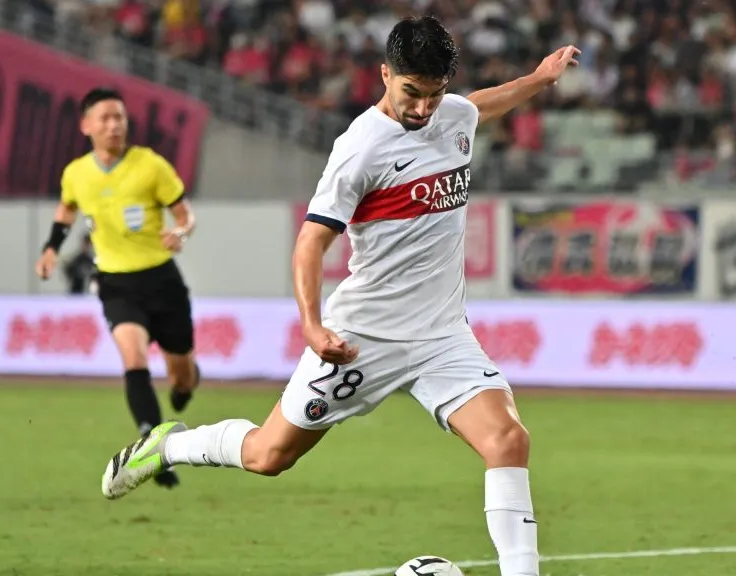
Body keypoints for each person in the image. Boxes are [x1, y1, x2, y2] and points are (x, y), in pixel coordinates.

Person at [102, 17, 579, 575]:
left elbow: (482, 106)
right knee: (268, 455)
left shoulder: (453, 115)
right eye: (411, 93)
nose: (424, 108)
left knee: (507, 439)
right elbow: (310, 243)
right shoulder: (359, 149)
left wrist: (540, 79)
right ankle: (168, 446)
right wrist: (310, 324)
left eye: (435, 93)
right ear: (385, 74)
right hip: (363, 338)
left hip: (443, 335)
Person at [37, 87, 202, 489]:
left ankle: (185, 388)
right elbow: (66, 212)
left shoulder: (150, 166)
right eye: (106, 118)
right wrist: (50, 248)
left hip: (162, 280)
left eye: (120, 118)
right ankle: (152, 446)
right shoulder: (76, 173)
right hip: (115, 283)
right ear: (86, 125)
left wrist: (180, 232)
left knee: (181, 376)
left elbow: (185, 215)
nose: (114, 125)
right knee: (133, 357)